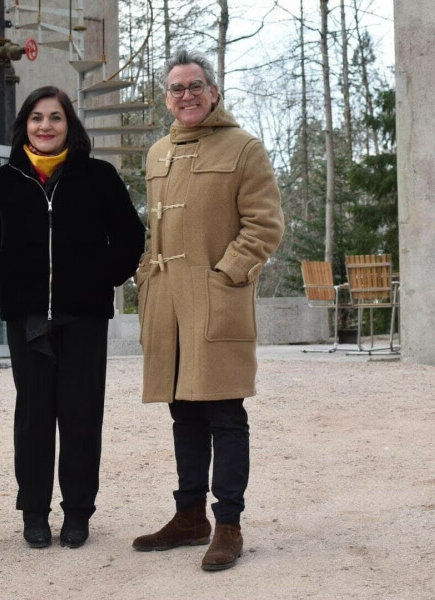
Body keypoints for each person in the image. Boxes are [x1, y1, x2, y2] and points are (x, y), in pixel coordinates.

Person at [131, 49, 284, 571]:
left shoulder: (244, 148)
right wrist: (146, 273)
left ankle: (228, 525)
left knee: (225, 413)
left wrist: (225, 274)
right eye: (177, 88)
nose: (187, 95)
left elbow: (265, 224)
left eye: (196, 85)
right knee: (184, 412)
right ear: (166, 98)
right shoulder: (157, 153)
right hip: (167, 303)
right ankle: (189, 516)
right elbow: (155, 229)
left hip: (217, 300)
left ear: (214, 92)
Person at [0, 86, 145, 549]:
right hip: (26, 318)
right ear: (23, 126)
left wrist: (100, 279)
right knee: (33, 417)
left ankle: (78, 513)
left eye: (55, 117)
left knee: (81, 414)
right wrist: (4, 282)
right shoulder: (0, 182)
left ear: (70, 125)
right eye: (36, 117)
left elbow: (130, 237)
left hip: (83, 317)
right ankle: (34, 513)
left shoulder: (99, 176)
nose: (45, 126)